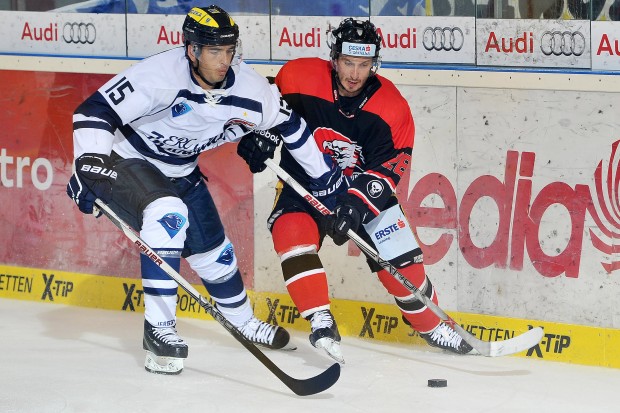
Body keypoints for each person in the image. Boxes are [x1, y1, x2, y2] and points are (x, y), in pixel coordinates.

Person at [66, 4, 341, 375]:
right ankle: (158, 331)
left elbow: (291, 127)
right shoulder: (158, 76)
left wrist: (326, 181)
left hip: (182, 170)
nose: (223, 60)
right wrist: (88, 164)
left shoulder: (251, 88)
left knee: (217, 254)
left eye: (229, 51)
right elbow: (92, 111)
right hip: (129, 159)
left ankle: (243, 322)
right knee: (167, 214)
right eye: (214, 51)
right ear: (192, 50)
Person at [266, 18, 474, 363]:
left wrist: (354, 206)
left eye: (364, 65)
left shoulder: (391, 107)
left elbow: (390, 169)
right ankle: (320, 320)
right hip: (306, 186)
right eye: (348, 63)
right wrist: (263, 138)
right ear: (334, 58)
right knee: (290, 233)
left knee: (404, 268)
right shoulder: (298, 76)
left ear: (373, 64)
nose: (354, 74)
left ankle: (435, 326)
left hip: (362, 192)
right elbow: (269, 112)